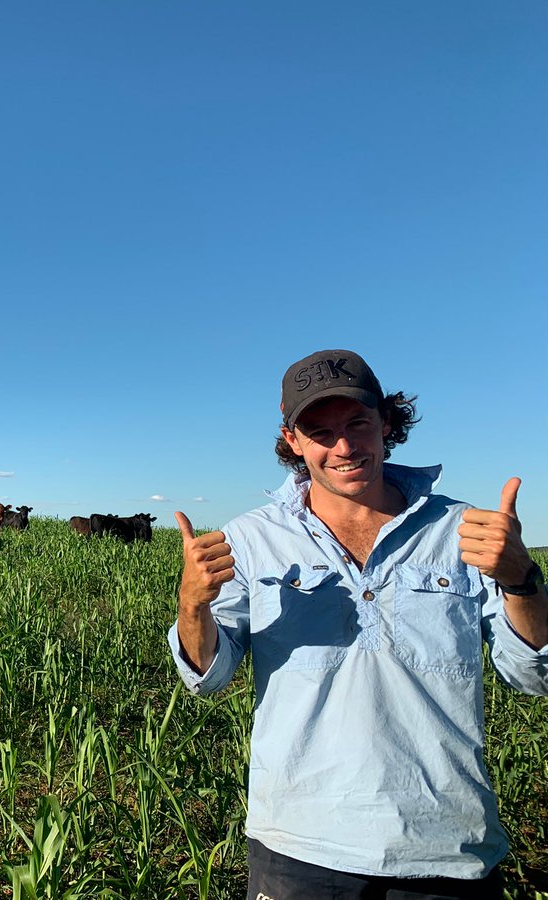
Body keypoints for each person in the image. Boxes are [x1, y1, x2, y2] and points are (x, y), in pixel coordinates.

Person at [168, 349, 548, 900]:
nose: (343, 447)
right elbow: (208, 674)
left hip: (446, 848)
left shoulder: (462, 531)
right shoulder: (251, 539)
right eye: (320, 431)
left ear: (387, 424)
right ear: (292, 440)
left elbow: (534, 673)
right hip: (298, 846)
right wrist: (192, 605)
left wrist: (521, 579)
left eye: (357, 424)